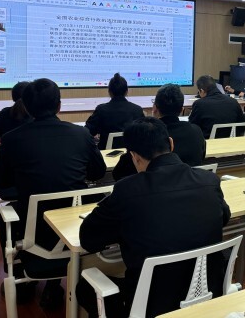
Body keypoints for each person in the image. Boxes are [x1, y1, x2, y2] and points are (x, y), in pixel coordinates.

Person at [76, 117, 231, 318]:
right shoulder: (209, 180)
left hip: (149, 306)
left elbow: (88, 239)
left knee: (84, 288)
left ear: (134, 157)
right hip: (206, 297)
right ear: (171, 144)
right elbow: (224, 217)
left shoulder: (127, 190)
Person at [0, 78, 106, 309]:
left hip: (33, 227)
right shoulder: (81, 134)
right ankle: (53, 287)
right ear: (59, 106)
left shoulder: (12, 139)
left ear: (26, 106)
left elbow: (3, 186)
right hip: (75, 225)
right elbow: (97, 172)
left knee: (5, 218)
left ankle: (22, 281)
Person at [112, 83, 206, 179]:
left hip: (150, 187)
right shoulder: (196, 131)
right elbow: (201, 158)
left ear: (155, 108)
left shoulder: (143, 136)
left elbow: (118, 174)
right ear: (182, 110)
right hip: (190, 184)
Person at [85, 73, 144, 149]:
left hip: (105, 154)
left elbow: (87, 132)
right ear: (127, 91)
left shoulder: (101, 110)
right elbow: (143, 134)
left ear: (109, 92)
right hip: (131, 154)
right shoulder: (137, 110)